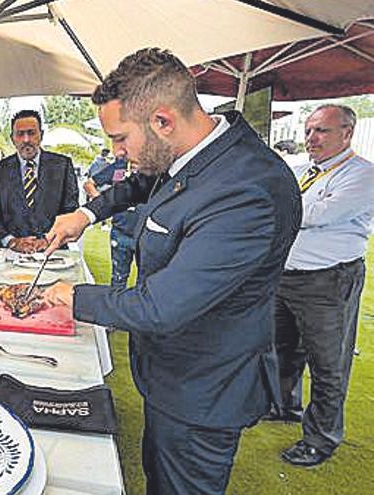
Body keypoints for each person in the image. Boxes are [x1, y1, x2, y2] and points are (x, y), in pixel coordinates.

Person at [42, 48, 301, 495]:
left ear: (163, 121)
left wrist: (74, 296)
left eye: (121, 139)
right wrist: (85, 214)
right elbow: (144, 182)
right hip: (169, 377)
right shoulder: (194, 151)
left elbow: (160, 306)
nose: (115, 153)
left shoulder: (248, 192)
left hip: (202, 392)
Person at [271, 104, 374, 467]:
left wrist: (273, 205)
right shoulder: (304, 171)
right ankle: (283, 405)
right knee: (282, 347)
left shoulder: (363, 175)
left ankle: (321, 438)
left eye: (322, 131)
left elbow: (314, 215)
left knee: (328, 363)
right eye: (309, 130)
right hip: (287, 276)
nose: (311, 138)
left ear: (347, 133)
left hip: (328, 280)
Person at [0, 110, 79, 253]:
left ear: (41, 135)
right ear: (12, 138)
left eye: (31, 133)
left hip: (54, 253)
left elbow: (70, 210)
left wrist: (48, 239)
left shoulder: (62, 166)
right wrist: (11, 241)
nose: (26, 140)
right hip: (11, 255)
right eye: (20, 134)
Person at [85, 158, 139, 289]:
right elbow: (89, 184)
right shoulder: (120, 166)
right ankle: (115, 308)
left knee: (147, 282)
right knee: (118, 279)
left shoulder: (153, 167)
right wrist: (104, 206)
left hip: (145, 234)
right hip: (120, 232)